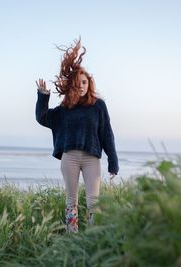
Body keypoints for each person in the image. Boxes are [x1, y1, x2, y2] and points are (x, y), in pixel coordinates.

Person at [35, 38, 119, 233]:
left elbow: (107, 134)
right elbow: (43, 118)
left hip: (91, 159)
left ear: (89, 84)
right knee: (71, 201)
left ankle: (92, 238)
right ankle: (72, 240)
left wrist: (113, 162)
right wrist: (43, 96)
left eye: (84, 82)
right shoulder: (65, 108)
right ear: (72, 85)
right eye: (77, 83)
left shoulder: (98, 106)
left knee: (94, 202)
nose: (81, 86)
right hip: (70, 158)